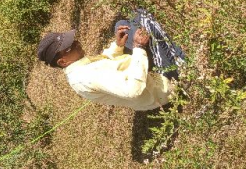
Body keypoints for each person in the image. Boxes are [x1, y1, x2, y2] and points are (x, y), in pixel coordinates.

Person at [36, 24, 176, 111]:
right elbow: (133, 90)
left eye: (73, 40)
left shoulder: (79, 65)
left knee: (122, 25)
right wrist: (139, 48)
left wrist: (118, 46)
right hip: (158, 86)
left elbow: (106, 62)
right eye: (70, 47)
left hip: (140, 70)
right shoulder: (86, 77)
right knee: (153, 30)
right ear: (63, 62)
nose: (77, 43)